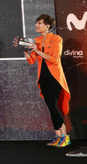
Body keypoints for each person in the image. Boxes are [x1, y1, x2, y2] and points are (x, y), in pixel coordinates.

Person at [18, 14, 71, 147]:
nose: (36, 25)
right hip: (43, 78)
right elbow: (32, 61)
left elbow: (55, 59)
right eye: (36, 23)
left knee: (54, 106)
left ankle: (65, 137)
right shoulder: (36, 40)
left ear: (47, 26)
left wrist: (37, 50)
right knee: (50, 107)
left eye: (39, 23)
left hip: (54, 77)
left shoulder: (56, 39)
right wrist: (26, 53)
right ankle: (58, 136)